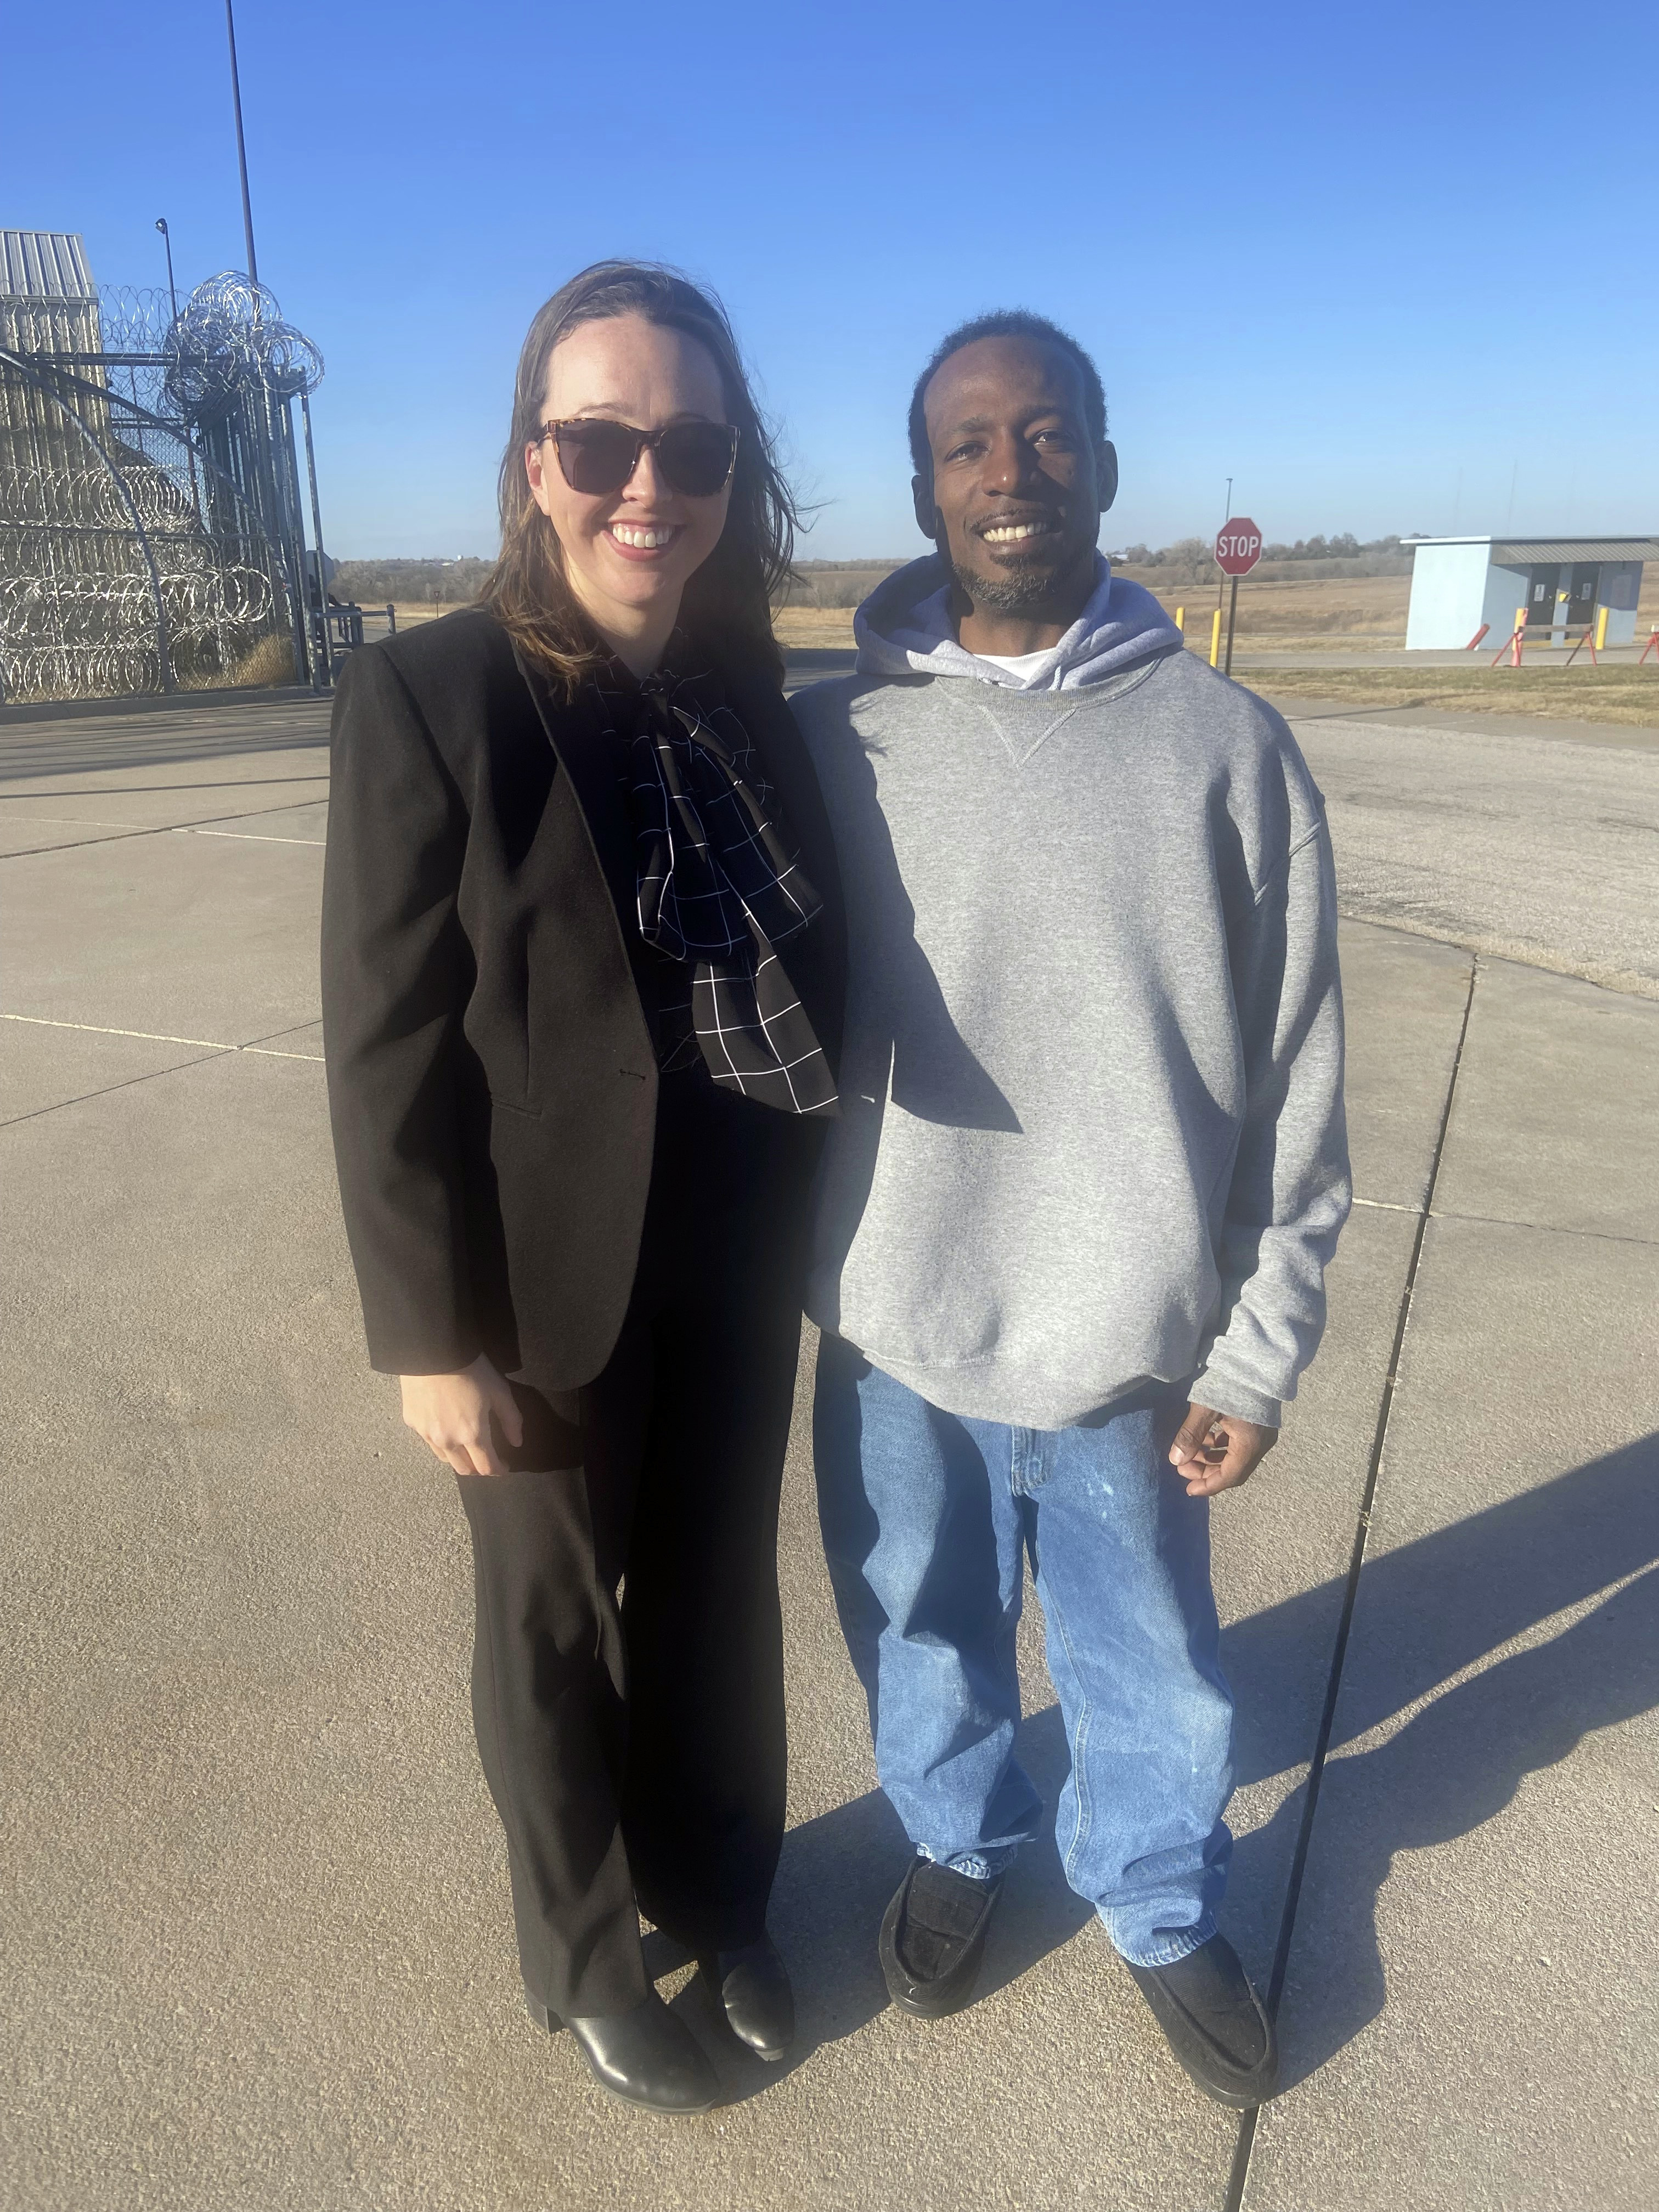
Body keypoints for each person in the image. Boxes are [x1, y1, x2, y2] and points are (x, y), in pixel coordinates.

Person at [791, 311, 1349, 2108]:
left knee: (1154, 1666)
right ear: (927, 489)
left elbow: (1301, 1078)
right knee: (922, 1631)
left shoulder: (1230, 750)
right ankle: (961, 1844)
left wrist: (1255, 1354)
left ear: (1104, 464)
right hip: (900, 1331)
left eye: (1045, 435)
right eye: (968, 444)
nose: (1008, 471)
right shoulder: (835, 743)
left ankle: (1159, 1898)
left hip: (1130, 1342)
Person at [321, 262, 844, 2117]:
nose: (650, 483)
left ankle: (724, 1888)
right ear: (535, 462)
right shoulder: (431, 694)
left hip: (733, 1239)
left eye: (688, 444)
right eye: (603, 440)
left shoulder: (749, 690)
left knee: (713, 1594)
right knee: (558, 1629)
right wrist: (424, 1335)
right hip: (533, 1281)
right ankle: (590, 1951)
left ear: (730, 466)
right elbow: (382, 1039)